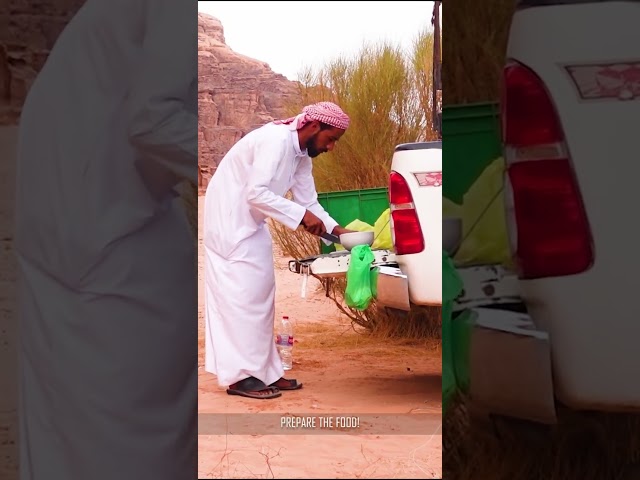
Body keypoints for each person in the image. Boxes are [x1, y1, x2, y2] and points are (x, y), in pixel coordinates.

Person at [14, 0, 197, 478]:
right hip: (99, 215)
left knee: (65, 408)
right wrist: (229, 166)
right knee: (132, 396)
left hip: (67, 201)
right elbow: (156, 120)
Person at [204, 101, 355, 399]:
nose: (331, 147)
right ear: (314, 127)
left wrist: (340, 232)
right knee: (240, 300)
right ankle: (239, 378)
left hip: (253, 224)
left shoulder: (301, 155)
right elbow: (256, 192)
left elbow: (309, 202)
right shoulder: (275, 141)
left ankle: (266, 373)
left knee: (261, 297)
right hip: (229, 223)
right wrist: (301, 217)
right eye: (331, 139)